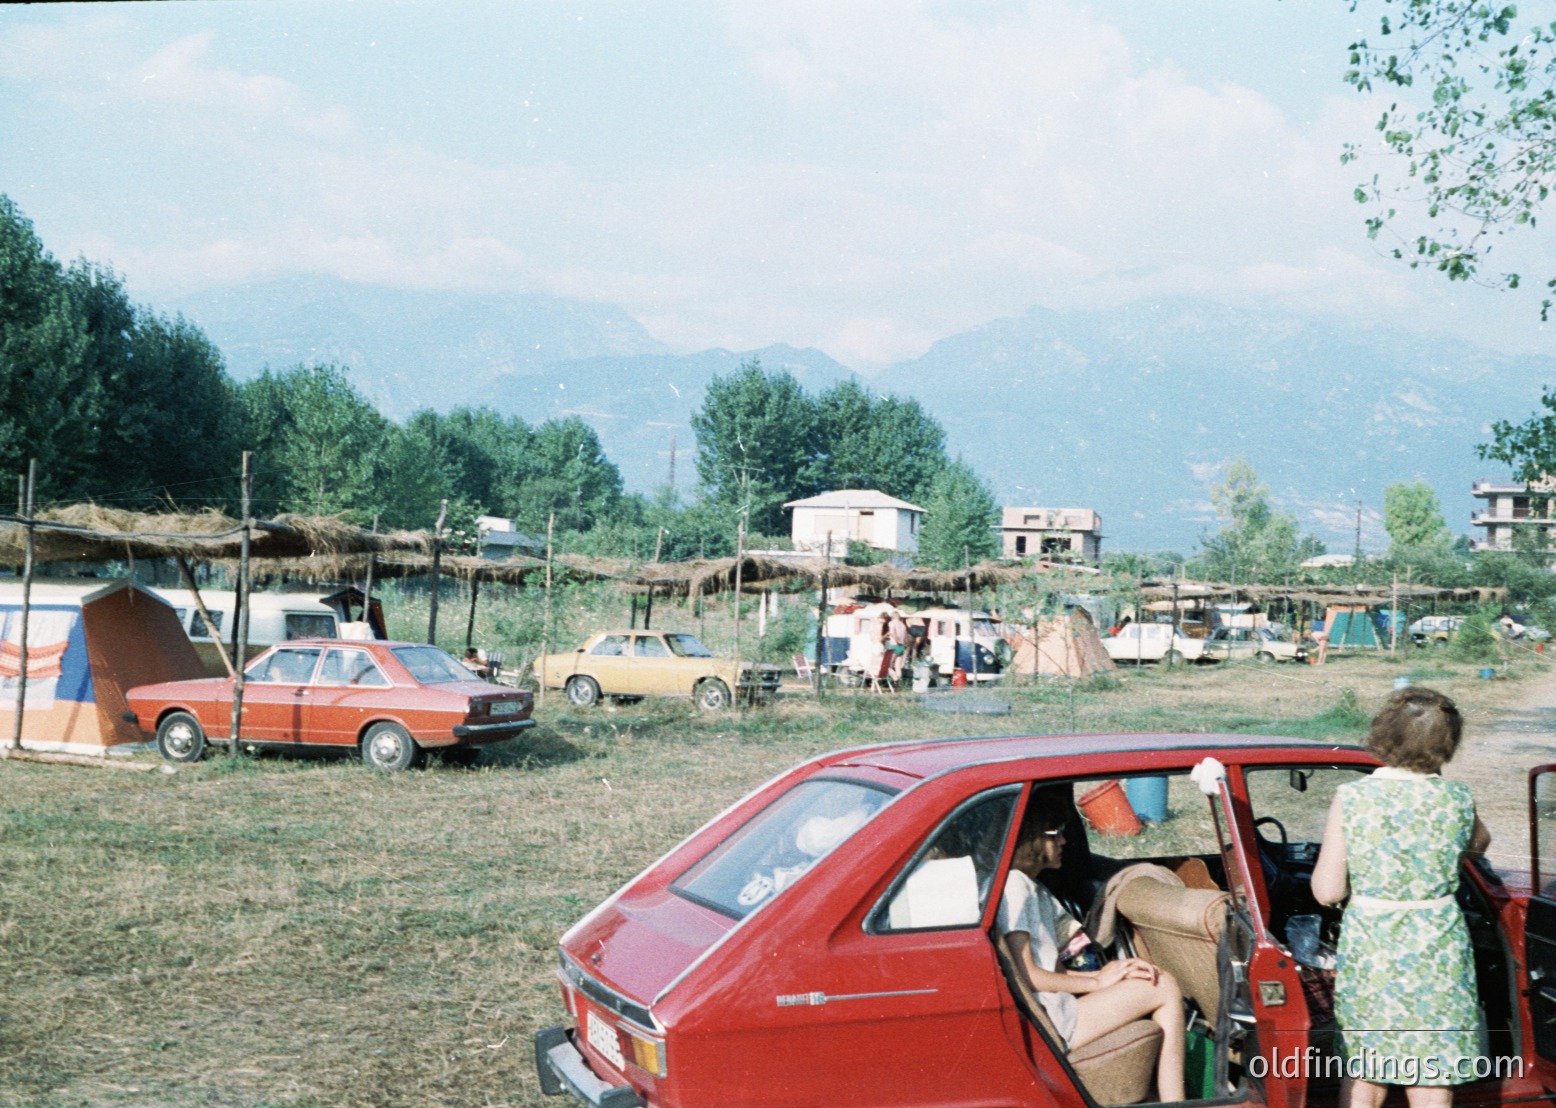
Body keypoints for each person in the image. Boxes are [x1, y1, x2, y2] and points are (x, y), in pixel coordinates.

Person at [1312, 688, 1491, 1108]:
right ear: (1447, 745)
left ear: (1384, 737)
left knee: (1367, 1071)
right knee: (1431, 1074)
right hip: (1439, 952)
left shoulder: (1353, 798)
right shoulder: (1457, 797)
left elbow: (1327, 890)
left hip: (1375, 951)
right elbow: (1480, 842)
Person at [999, 788, 1186, 1101]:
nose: (1063, 842)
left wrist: (1109, 974)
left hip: (1056, 1008)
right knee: (1163, 985)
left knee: (1147, 979)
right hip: (1053, 1020)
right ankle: (1176, 1101)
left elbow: (1055, 966)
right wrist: (1097, 981)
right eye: (1054, 834)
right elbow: (1027, 974)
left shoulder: (1032, 887)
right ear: (1032, 839)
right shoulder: (1016, 887)